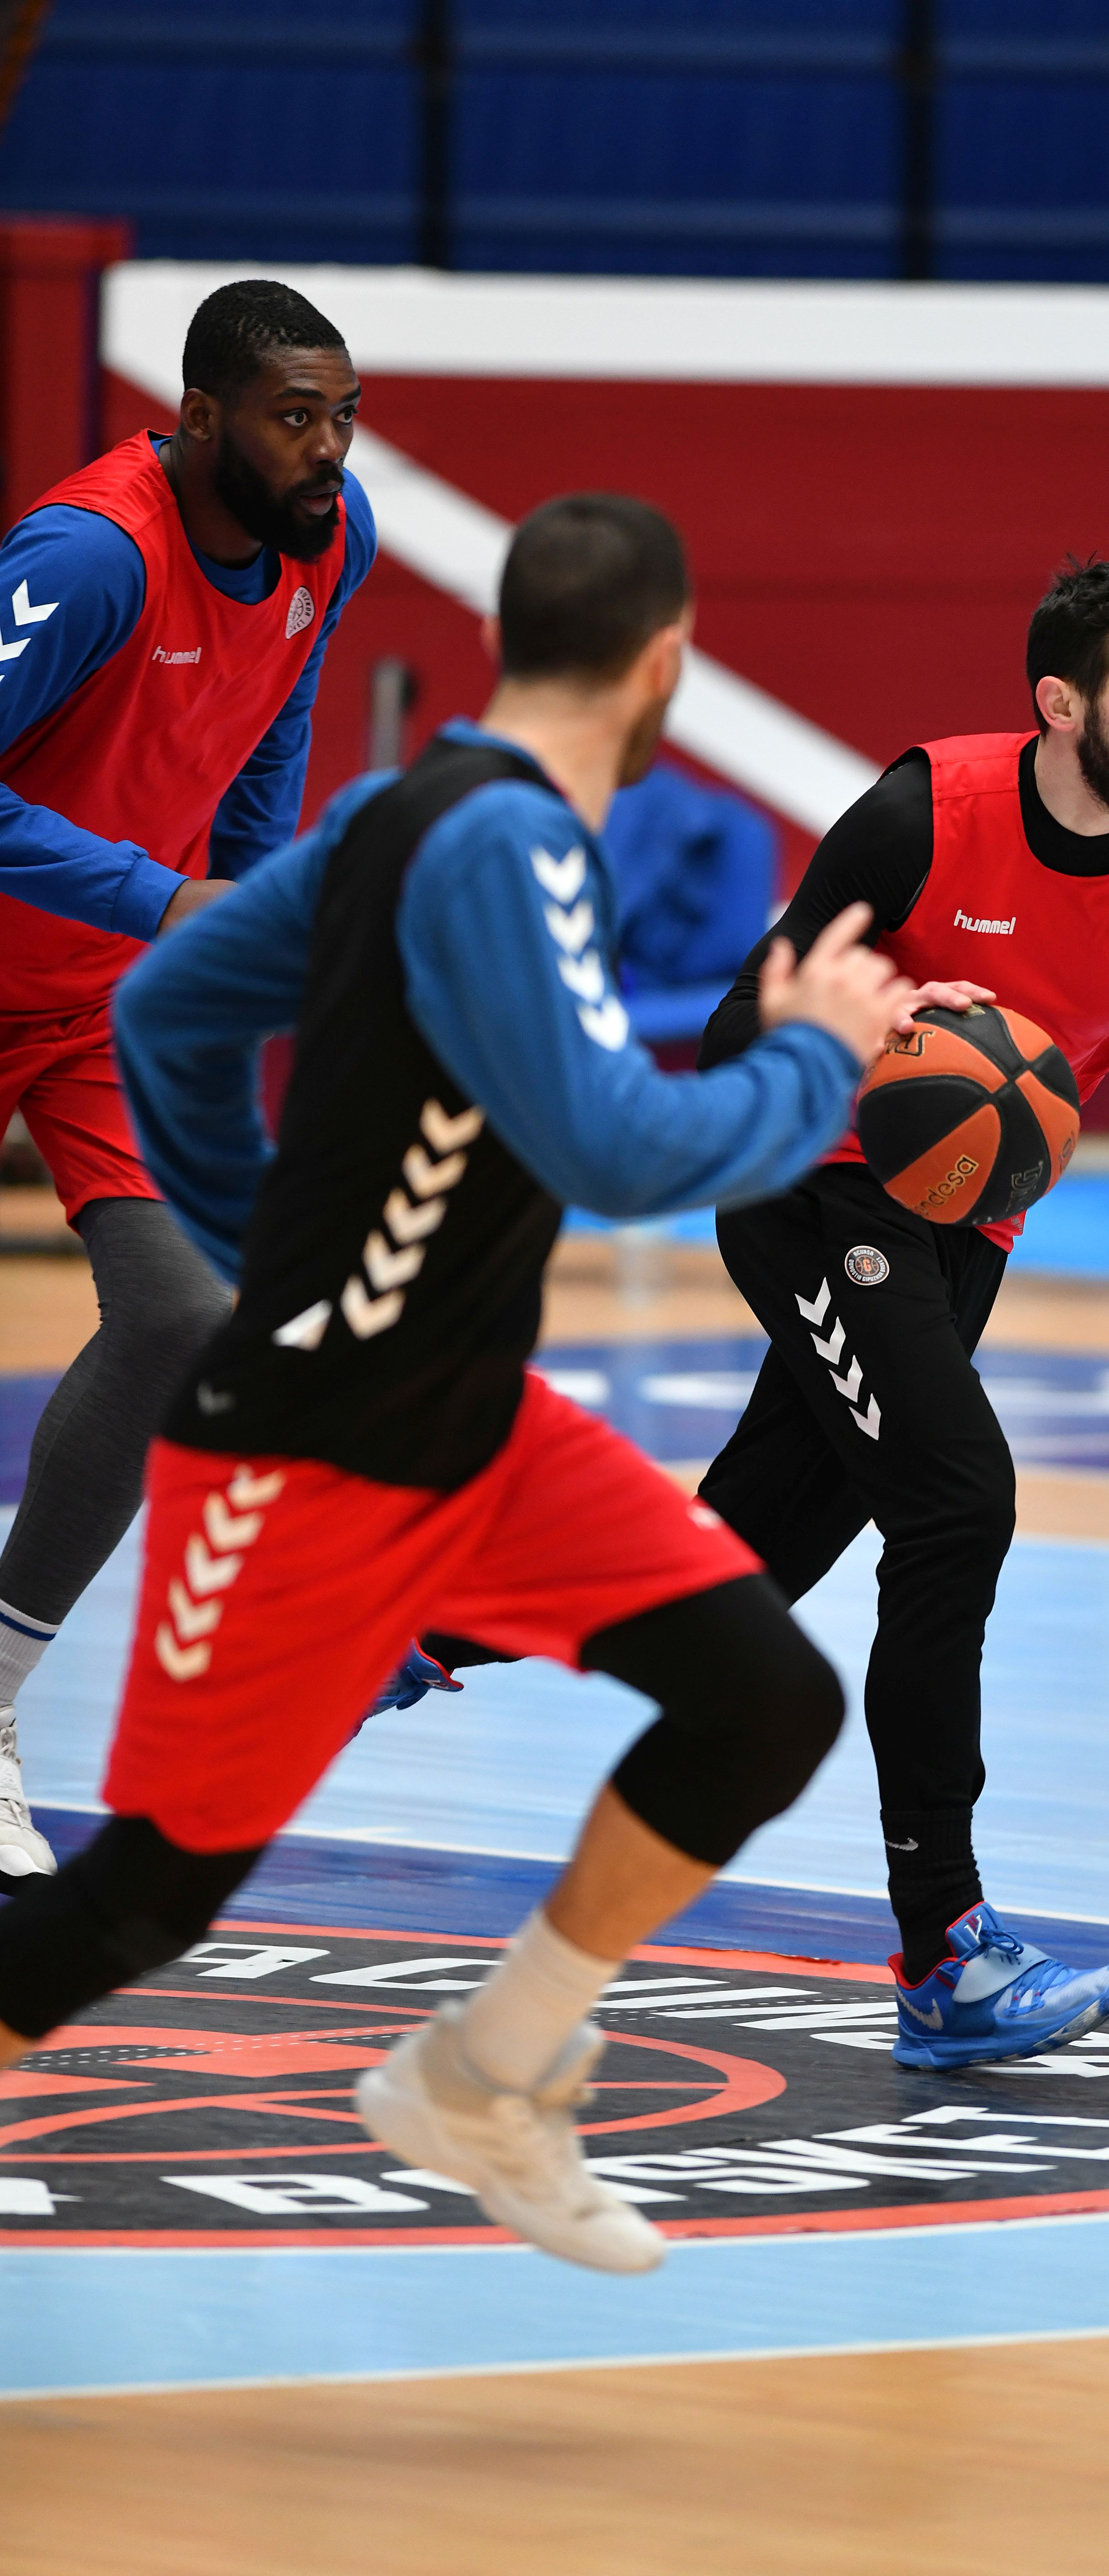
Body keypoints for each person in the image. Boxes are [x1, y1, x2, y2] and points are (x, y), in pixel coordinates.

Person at [0, 491, 910, 2272]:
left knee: (762, 1702)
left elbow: (171, 1006)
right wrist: (816, 1060)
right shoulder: (503, 848)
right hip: (314, 1460)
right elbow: (617, 1144)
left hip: (475, 1431)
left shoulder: (388, 811)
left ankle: (484, 2074)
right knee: (135, 1903)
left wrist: (253, 1220)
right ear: (666, 664)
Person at [686, 554, 1109, 2069]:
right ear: (1060, 703)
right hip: (810, 1183)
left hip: (958, 1230)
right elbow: (729, 1021)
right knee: (956, 1506)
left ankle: (423, 1629)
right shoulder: (921, 814)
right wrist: (858, 1009)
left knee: (749, 1554)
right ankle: (944, 1948)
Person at [0, 278, 377, 1877]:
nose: (329, 448)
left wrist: (248, 909)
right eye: (297, 415)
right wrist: (163, 899)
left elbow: (268, 726)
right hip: (76, 940)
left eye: (346, 415)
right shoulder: (89, 555)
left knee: (180, 1312)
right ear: (201, 417)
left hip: (96, 1010)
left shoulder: (328, 539)